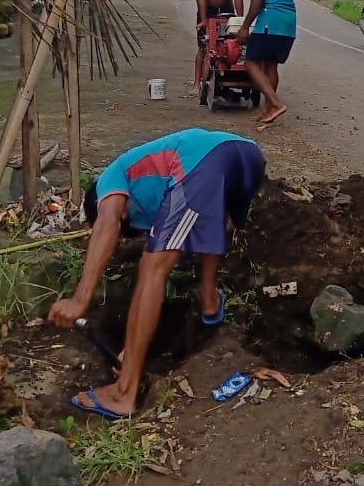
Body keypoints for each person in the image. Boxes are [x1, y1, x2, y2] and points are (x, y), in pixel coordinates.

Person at [47, 129, 267, 418]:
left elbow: (107, 222)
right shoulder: (154, 183)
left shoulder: (111, 179)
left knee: (151, 267)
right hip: (246, 156)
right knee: (208, 214)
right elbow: (204, 219)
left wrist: (80, 299)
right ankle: (209, 300)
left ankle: (123, 392)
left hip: (202, 160)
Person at [237, 0, 296, 124]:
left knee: (251, 62)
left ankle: (276, 104)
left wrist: (245, 26)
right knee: (271, 64)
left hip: (271, 19)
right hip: (289, 21)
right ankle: (268, 110)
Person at [193, 0, 245, 92]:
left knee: (229, 44)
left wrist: (240, 20)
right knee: (203, 46)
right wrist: (203, 19)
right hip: (207, 8)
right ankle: (197, 83)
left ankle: (226, 77)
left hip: (226, 7)